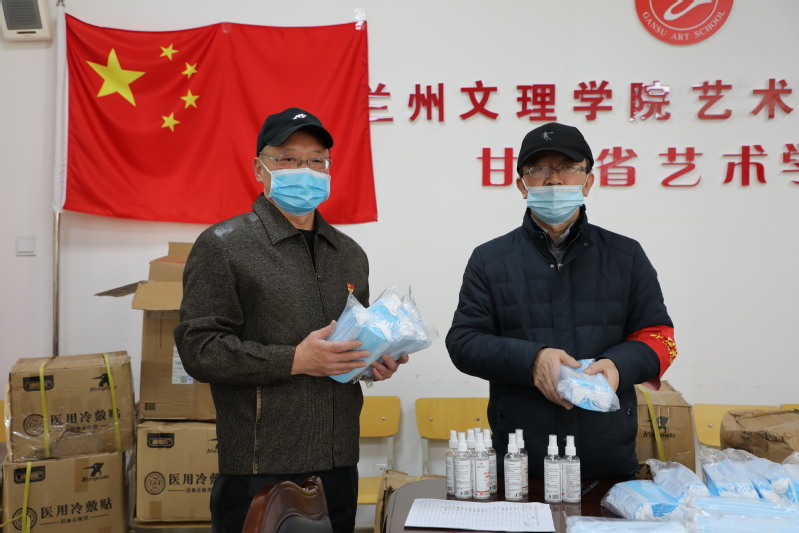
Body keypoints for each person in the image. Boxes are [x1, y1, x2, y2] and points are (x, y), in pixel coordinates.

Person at [174, 107, 408, 533]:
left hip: (338, 461)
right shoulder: (223, 245)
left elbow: (345, 345)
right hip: (260, 467)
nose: (305, 170)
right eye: (288, 159)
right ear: (259, 169)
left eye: (316, 160)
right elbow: (199, 349)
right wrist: (294, 360)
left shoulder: (348, 253)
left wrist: (370, 361)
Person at [446, 122, 677, 480]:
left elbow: (659, 337)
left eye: (568, 167)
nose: (554, 180)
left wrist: (618, 366)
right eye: (539, 169)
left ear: (588, 181)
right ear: (522, 185)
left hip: (608, 457)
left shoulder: (626, 256)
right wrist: (532, 360)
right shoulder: (490, 260)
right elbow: (463, 342)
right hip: (521, 460)